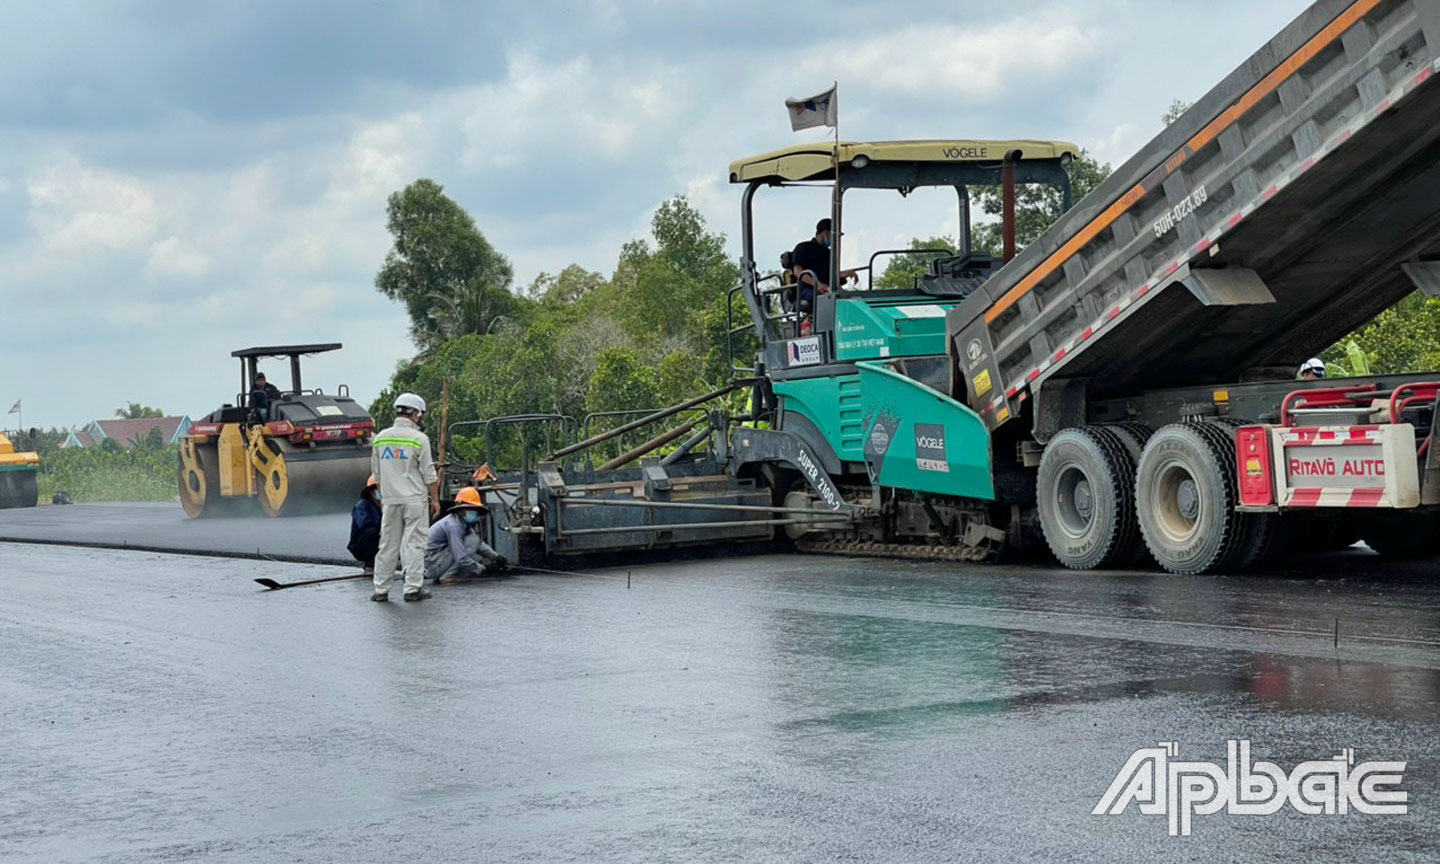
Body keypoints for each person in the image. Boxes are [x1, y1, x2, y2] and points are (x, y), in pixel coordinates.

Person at [371, 393, 441, 602]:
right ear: (416, 413)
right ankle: (412, 588)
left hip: (391, 499)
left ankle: (380, 589)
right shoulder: (419, 439)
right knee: (414, 543)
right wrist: (435, 499)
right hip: (414, 500)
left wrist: (383, 497)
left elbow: (377, 473)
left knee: (387, 544)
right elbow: (429, 473)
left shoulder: (381, 438)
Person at [425, 486, 507, 585]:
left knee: (473, 543)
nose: (473, 512)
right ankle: (447, 576)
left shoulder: (461, 522)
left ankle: (444, 574)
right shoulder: (454, 525)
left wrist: (496, 557)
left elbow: (479, 543)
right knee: (470, 546)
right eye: (470, 509)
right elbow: (461, 557)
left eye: (474, 509)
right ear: (461, 510)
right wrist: (482, 569)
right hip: (430, 566)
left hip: (436, 562)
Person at [790, 218, 860, 302]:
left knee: (848, 298)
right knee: (825, 298)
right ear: (826, 233)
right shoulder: (803, 248)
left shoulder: (829, 253)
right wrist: (818, 285)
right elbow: (797, 272)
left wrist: (847, 273)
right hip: (808, 289)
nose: (836, 240)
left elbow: (832, 273)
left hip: (827, 289)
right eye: (835, 236)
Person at [347, 474, 382, 572]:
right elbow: (365, 524)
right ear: (370, 492)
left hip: (382, 542)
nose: (379, 492)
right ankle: (370, 564)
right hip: (361, 546)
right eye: (376, 489)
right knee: (371, 531)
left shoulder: (389, 506)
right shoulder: (362, 506)